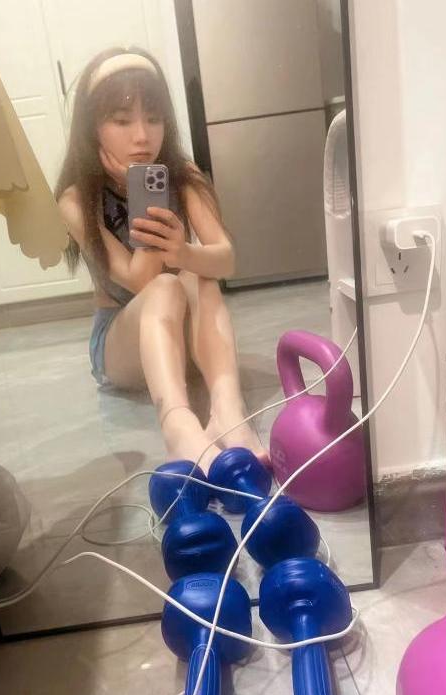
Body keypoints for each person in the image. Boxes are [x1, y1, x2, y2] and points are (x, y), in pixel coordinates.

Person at [56, 47, 270, 475]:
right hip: (121, 343)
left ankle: (228, 410)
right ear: (92, 128)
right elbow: (140, 280)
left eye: (153, 118)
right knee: (165, 285)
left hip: (181, 331)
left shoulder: (183, 175)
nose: (142, 136)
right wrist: (145, 197)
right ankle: (178, 426)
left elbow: (226, 260)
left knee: (197, 274)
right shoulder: (76, 199)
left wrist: (185, 253)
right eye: (122, 121)